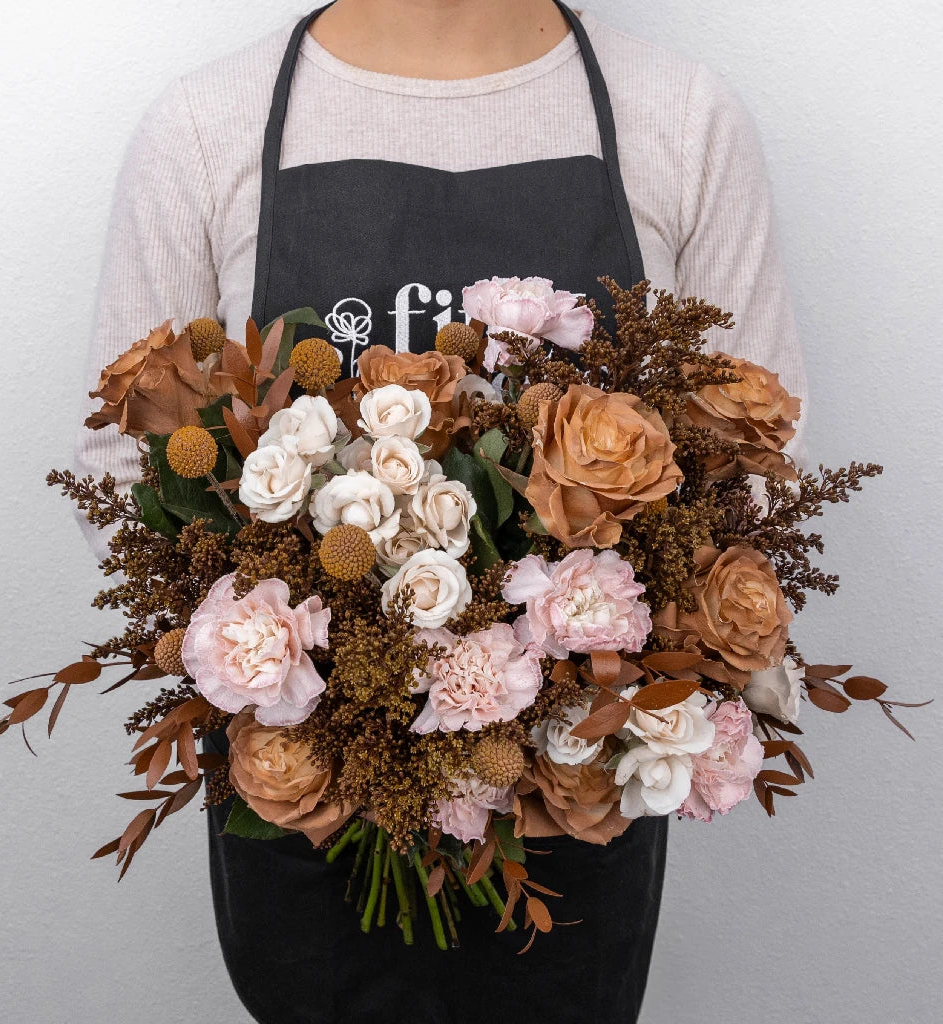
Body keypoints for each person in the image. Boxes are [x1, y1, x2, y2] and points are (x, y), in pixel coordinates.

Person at [75, 2, 808, 1021]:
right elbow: (122, 467)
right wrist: (337, 677)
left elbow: (756, 463)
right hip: (313, 827)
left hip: (570, 824)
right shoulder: (210, 126)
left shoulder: (679, 118)